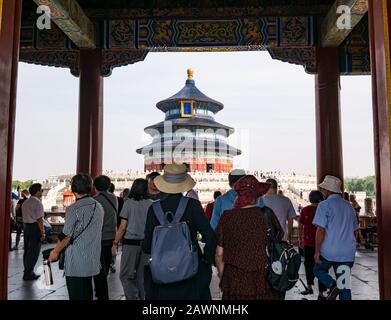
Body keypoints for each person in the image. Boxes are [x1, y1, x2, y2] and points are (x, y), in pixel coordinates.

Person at [142, 164, 216, 299]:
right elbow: (209, 236)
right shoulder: (192, 205)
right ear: (184, 183)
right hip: (190, 271)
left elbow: (147, 247)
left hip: (162, 275)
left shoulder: (154, 209)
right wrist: (205, 259)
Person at [215, 175, 284, 300]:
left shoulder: (227, 216)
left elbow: (219, 254)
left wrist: (222, 277)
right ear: (257, 197)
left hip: (234, 281)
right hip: (263, 279)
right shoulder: (267, 214)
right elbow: (278, 240)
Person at [49, 174, 104, 300]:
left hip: (76, 260)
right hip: (92, 258)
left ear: (73, 188)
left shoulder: (73, 209)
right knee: (87, 292)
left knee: (76, 294)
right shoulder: (98, 206)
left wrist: (55, 251)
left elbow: (66, 235)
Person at [313, 175, 359, 300]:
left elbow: (320, 230)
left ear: (327, 190)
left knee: (318, 270)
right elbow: (355, 231)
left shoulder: (324, 205)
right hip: (347, 253)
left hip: (329, 251)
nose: (322, 192)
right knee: (344, 286)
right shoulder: (349, 207)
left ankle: (332, 285)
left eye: (323, 189)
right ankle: (338, 286)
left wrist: (317, 251)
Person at [112, 179, 152, 300]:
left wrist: (115, 242)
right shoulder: (151, 203)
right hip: (146, 244)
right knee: (141, 277)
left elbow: (122, 227)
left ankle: (132, 297)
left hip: (131, 244)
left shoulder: (129, 203)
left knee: (125, 275)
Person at [298, 190, 327, 299]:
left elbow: (300, 225)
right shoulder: (323, 210)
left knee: (308, 265)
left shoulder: (305, 210)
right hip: (322, 243)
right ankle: (321, 293)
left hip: (308, 242)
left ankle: (309, 287)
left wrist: (300, 239)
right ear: (320, 199)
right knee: (321, 266)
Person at [93, 175, 118, 300]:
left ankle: (102, 294)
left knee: (99, 269)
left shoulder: (94, 201)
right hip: (111, 236)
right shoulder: (114, 198)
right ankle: (101, 291)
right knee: (106, 266)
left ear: (95, 186)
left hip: (99, 238)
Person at [21, 183, 45, 281]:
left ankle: (27, 271)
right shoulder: (37, 202)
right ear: (37, 191)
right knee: (34, 251)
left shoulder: (26, 202)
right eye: (41, 190)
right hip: (34, 227)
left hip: (26, 227)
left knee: (27, 250)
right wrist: (42, 233)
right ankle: (29, 273)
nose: (42, 192)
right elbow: (39, 219)